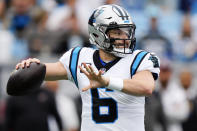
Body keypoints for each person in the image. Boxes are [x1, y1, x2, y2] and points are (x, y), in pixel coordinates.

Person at [15, 4, 160, 131]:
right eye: (117, 32)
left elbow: (146, 87)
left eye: (126, 31)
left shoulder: (139, 58)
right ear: (98, 33)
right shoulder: (80, 57)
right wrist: (32, 65)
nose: (124, 37)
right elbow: (44, 71)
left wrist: (106, 82)